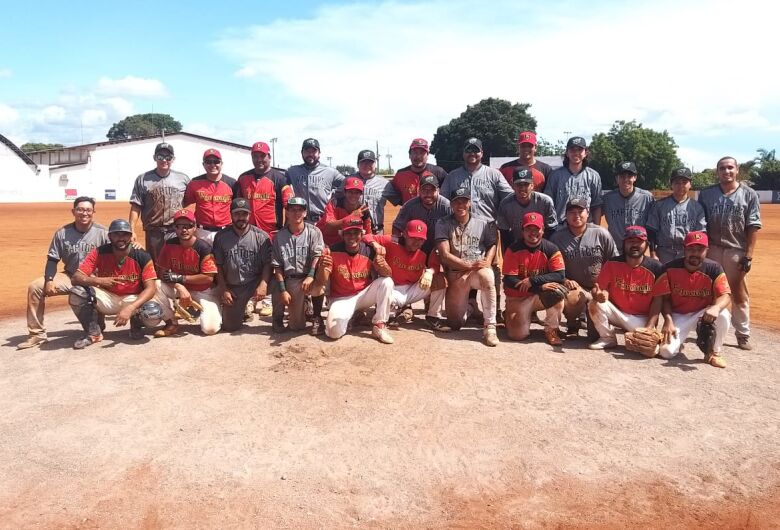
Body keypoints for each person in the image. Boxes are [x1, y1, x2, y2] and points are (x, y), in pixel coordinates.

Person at [19, 197, 108, 350]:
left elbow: (120, 249)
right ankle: (37, 334)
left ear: (93, 212)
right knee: (35, 287)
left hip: (94, 278)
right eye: (80, 209)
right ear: (73, 211)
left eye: (88, 210)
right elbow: (52, 259)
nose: (84, 213)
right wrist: (49, 280)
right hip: (70, 275)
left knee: (96, 318)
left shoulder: (103, 233)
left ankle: (97, 324)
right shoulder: (62, 233)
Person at [440, 138, 513, 322]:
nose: (472, 154)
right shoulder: (453, 176)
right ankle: (469, 306)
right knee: (461, 266)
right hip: (459, 228)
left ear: (482, 153)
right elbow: (442, 201)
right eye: (468, 150)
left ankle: (493, 312)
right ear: (463, 153)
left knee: (491, 269)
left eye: (476, 150)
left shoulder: (493, 175)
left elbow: (510, 197)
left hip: (487, 227)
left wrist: (502, 221)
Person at [69, 219, 172, 348]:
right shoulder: (99, 252)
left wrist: (131, 308)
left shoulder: (141, 255)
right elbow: (76, 278)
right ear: (110, 236)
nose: (121, 238)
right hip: (108, 297)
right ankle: (94, 332)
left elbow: (150, 288)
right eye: (116, 234)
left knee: (153, 311)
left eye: (125, 234)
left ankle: (137, 324)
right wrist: (98, 280)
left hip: (132, 298)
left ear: (130, 236)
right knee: (77, 293)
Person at [698, 156, 761, 350]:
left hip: (736, 249)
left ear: (737, 170)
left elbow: (753, 226)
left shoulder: (749, 194)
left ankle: (742, 333)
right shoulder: (706, 195)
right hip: (713, 249)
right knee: (709, 292)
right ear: (717, 172)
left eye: (730, 168)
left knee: (739, 292)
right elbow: (701, 224)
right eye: (722, 168)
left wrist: (748, 255)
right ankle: (707, 329)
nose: (726, 171)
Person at [234, 140, 293, 317]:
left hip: (271, 231)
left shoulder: (280, 178)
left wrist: (287, 230)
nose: (259, 159)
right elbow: (236, 204)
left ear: (269, 156)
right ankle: (251, 300)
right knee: (248, 264)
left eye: (262, 156)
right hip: (247, 231)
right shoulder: (243, 178)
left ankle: (267, 300)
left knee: (274, 266)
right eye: (255, 156)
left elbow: (288, 204)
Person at [435, 187, 499, 346]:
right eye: (456, 202)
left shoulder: (484, 221)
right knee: (455, 324)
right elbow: (444, 255)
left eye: (464, 201)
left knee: (488, 275)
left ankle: (490, 326)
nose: (460, 205)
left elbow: (492, 243)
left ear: (470, 203)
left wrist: (488, 261)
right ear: (451, 204)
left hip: (477, 271)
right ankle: (470, 307)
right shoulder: (443, 223)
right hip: (457, 275)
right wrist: (469, 265)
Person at [656, 231, 731, 368]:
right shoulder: (669, 268)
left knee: (724, 315)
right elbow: (664, 299)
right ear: (684, 249)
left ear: (707, 251)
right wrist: (668, 320)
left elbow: (726, 296)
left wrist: (716, 307)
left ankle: (714, 353)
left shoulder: (714, 268)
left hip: (704, 314)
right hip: (679, 315)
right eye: (691, 249)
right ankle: (679, 343)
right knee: (666, 352)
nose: (695, 253)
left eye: (700, 249)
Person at [316, 218, 395, 344]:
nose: (352, 237)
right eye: (348, 233)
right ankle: (353, 317)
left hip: (364, 295)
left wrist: (383, 266)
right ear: (342, 234)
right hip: (341, 299)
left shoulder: (370, 251)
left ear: (362, 234)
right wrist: (322, 268)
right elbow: (321, 281)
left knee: (387, 282)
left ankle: (379, 325)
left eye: (356, 233)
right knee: (333, 333)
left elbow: (388, 274)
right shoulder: (332, 251)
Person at [588, 226, 665, 350]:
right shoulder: (612, 263)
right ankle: (608, 338)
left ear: (646, 245)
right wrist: (597, 295)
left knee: (653, 350)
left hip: (641, 319)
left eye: (639, 241)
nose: (635, 245)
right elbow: (597, 289)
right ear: (624, 244)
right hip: (618, 313)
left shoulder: (656, 267)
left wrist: (650, 326)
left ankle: (640, 335)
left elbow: (658, 300)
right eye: (630, 241)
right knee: (594, 304)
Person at [550, 198, 618, 336]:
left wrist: (606, 287)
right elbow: (552, 268)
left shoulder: (601, 233)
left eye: (580, 211)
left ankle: (593, 319)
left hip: (599, 287)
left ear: (588, 213)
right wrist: (564, 280)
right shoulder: (557, 238)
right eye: (572, 212)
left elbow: (614, 263)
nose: (576, 215)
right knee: (572, 297)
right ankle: (572, 323)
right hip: (575, 287)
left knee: (595, 336)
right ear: (566, 215)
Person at [365, 220, 446, 328]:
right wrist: (375, 244)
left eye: (420, 239)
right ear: (404, 234)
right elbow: (365, 237)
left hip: (413, 289)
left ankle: (433, 317)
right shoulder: (392, 241)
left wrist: (430, 272)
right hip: (392, 289)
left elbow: (435, 266)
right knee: (385, 292)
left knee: (440, 279)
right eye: (413, 238)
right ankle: (389, 313)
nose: (416, 242)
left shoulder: (426, 249)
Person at [502, 212, 566, 345]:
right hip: (518, 297)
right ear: (522, 231)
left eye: (536, 229)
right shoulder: (513, 249)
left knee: (556, 292)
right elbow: (509, 280)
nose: (533, 233)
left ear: (542, 229)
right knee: (517, 335)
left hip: (538, 295)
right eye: (528, 229)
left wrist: (533, 281)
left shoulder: (550, 248)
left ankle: (551, 329)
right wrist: (539, 287)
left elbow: (560, 275)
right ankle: (510, 315)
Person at [155, 209, 221, 337]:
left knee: (210, 329)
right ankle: (171, 323)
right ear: (174, 228)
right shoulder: (169, 245)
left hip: (203, 291)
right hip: (179, 289)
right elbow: (161, 273)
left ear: (195, 227)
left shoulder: (203, 248)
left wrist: (182, 278)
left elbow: (208, 278)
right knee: (156, 286)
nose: (184, 230)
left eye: (188, 226)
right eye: (179, 226)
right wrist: (179, 286)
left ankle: (213, 308)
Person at [212, 198, 272, 332]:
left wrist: (263, 284)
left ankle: (279, 319)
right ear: (231, 215)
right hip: (234, 286)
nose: (241, 218)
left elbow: (268, 264)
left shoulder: (261, 236)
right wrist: (223, 288)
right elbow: (218, 266)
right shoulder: (221, 237)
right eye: (237, 214)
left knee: (280, 284)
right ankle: (241, 307)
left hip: (254, 282)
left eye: (244, 214)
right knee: (230, 327)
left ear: (249, 215)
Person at [271, 197, 325, 334]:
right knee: (296, 326)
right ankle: (305, 305)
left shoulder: (314, 232)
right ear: (287, 213)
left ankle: (317, 316)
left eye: (300, 210)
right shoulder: (279, 236)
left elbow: (317, 255)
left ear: (305, 213)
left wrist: (311, 275)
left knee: (324, 270)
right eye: (293, 210)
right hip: (292, 280)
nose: (297, 213)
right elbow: (277, 265)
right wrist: (283, 290)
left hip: (310, 277)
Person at [128, 142, 190, 261]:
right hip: (154, 232)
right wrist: (132, 230)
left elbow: (188, 200)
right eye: (160, 156)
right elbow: (136, 206)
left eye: (168, 157)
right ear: (155, 158)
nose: (164, 160)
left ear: (173, 159)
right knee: (155, 264)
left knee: (177, 263)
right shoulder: (143, 179)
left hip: (176, 230)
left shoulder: (183, 178)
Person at [647, 167, 707, 263]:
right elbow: (651, 231)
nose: (681, 185)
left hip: (687, 252)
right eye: (677, 182)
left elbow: (701, 234)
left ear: (690, 184)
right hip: (664, 251)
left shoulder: (697, 207)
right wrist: (653, 253)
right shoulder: (659, 205)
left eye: (684, 182)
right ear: (671, 184)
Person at [545, 136, 603, 225]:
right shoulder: (555, 176)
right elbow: (548, 204)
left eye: (579, 150)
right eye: (572, 150)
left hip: (586, 227)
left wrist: (596, 227)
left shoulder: (593, 176)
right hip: (561, 227)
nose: (576, 153)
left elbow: (596, 205)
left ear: (586, 153)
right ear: (567, 153)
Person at [183, 148, 236, 244]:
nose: (212, 165)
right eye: (208, 162)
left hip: (225, 231)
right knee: (203, 258)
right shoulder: (194, 182)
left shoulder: (231, 183)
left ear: (221, 164)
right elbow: (186, 204)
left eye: (216, 162)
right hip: (202, 232)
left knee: (224, 259)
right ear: (203, 164)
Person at [496, 165, 557, 248]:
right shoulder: (505, 204)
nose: (522, 188)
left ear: (532, 185)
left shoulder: (545, 201)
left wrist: (542, 247)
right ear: (512, 184)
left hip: (541, 245)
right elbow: (504, 231)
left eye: (526, 184)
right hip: (516, 246)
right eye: (519, 184)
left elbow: (551, 229)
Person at [286, 138, 344, 224]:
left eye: (313, 151)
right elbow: (279, 183)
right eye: (307, 151)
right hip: (301, 221)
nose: (310, 154)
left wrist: (336, 197)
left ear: (319, 153)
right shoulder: (292, 171)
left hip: (323, 220)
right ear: (302, 153)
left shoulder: (330, 172)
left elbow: (349, 184)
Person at [343, 149, 401, 234]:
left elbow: (400, 201)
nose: (367, 165)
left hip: (376, 231)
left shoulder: (385, 184)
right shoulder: (347, 181)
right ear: (357, 164)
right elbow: (336, 202)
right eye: (363, 162)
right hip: (352, 231)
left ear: (375, 164)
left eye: (370, 162)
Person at [392, 174, 452, 254]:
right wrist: (398, 247)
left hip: (438, 249)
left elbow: (455, 229)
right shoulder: (409, 206)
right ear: (419, 191)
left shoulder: (447, 206)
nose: (428, 194)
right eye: (424, 190)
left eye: (432, 190)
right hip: (415, 249)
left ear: (438, 190)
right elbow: (397, 227)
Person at [601, 161, 654, 247]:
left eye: (629, 176)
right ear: (617, 178)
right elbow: (593, 215)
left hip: (637, 248)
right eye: (622, 176)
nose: (626, 179)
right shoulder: (607, 198)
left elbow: (654, 224)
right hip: (615, 248)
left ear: (635, 178)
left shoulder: (646, 197)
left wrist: (652, 250)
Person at [317, 176, 373, 246]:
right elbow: (329, 227)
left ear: (361, 194)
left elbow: (368, 234)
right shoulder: (335, 203)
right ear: (345, 192)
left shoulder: (363, 210)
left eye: (357, 192)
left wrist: (373, 243)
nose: (353, 195)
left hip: (346, 244)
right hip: (326, 242)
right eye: (350, 192)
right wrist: (351, 217)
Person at [392, 138, 448, 204]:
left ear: (427, 156)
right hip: (409, 213)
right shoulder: (400, 175)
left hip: (434, 213)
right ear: (409, 155)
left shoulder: (439, 172)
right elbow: (394, 196)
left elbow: (449, 193)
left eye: (422, 153)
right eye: (415, 152)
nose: (418, 156)